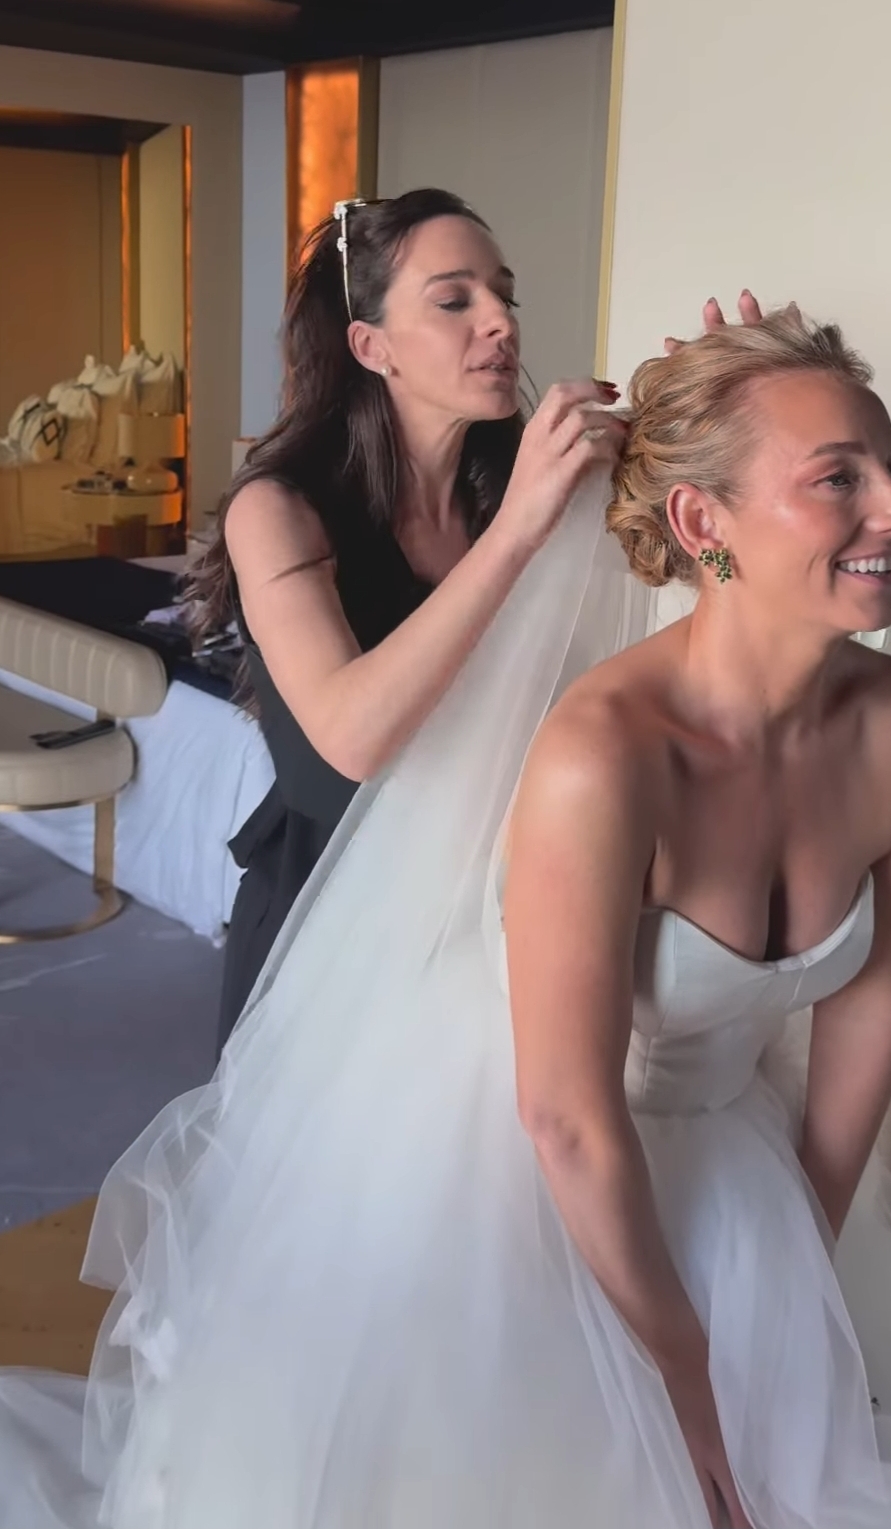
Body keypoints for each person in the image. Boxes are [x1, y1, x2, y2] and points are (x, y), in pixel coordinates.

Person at [0, 310, 891, 1529]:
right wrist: (684, 1366)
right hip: (516, 1171)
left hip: (728, 1158)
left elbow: (870, 1000)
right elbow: (565, 1116)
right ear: (702, 524)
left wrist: (800, 1251)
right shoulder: (604, 754)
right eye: (836, 478)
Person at [195, 187, 626, 1053]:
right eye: (454, 300)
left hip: (495, 912)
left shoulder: (516, 491)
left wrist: (721, 398)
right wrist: (517, 531)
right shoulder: (278, 511)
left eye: (505, 295)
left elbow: (699, 577)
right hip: (333, 919)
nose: (500, 321)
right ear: (372, 345)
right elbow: (351, 740)